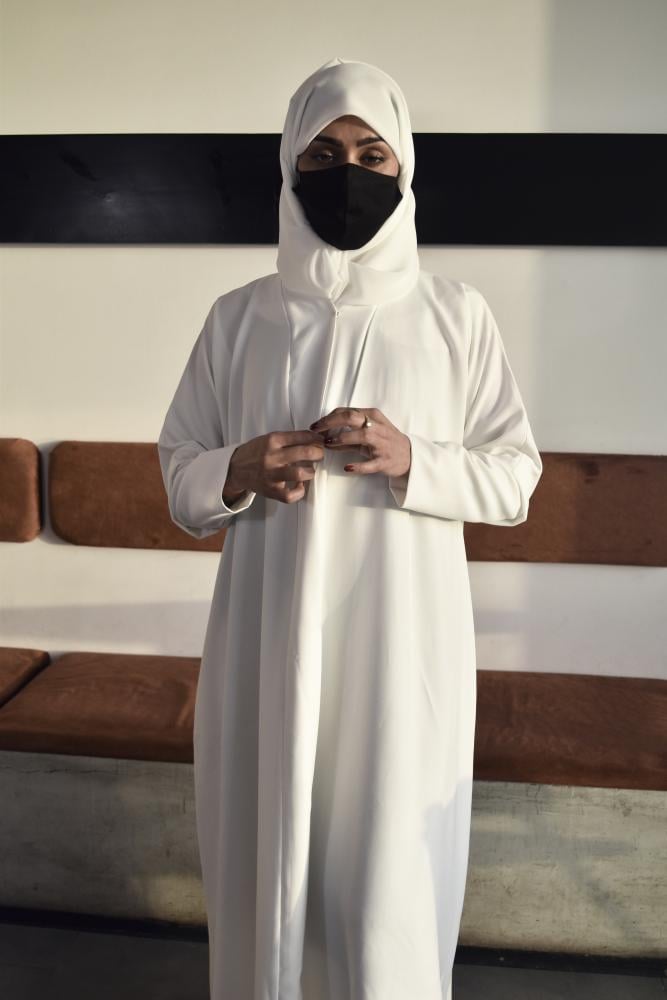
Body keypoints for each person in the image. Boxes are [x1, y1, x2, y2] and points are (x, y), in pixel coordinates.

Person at [157, 56, 542, 1000]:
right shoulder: (238, 318)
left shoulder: (454, 315)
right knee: (266, 852)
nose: (348, 174)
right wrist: (236, 469)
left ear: (403, 167)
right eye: (323, 154)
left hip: (400, 644)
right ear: (289, 167)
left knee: (385, 878)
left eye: (372, 154)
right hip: (265, 636)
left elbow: (514, 478)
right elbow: (178, 472)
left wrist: (416, 458)